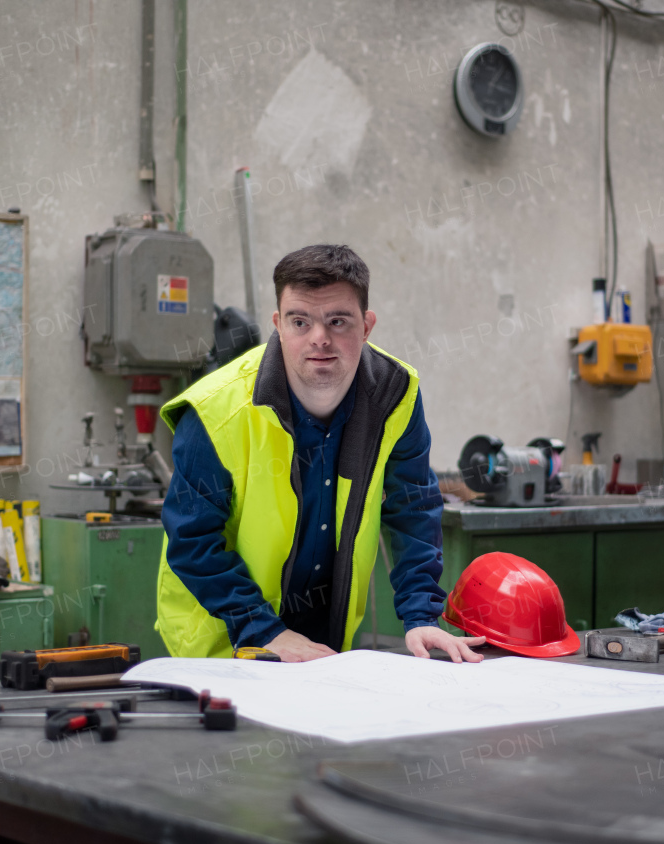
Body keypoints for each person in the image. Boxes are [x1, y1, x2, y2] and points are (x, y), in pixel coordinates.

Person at [156, 244, 485, 663]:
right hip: (222, 637)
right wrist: (264, 630)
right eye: (300, 321)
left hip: (324, 641)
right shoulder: (214, 412)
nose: (320, 338)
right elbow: (192, 540)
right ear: (278, 325)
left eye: (338, 321)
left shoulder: (395, 396)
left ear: (366, 326)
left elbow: (413, 509)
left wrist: (421, 616)